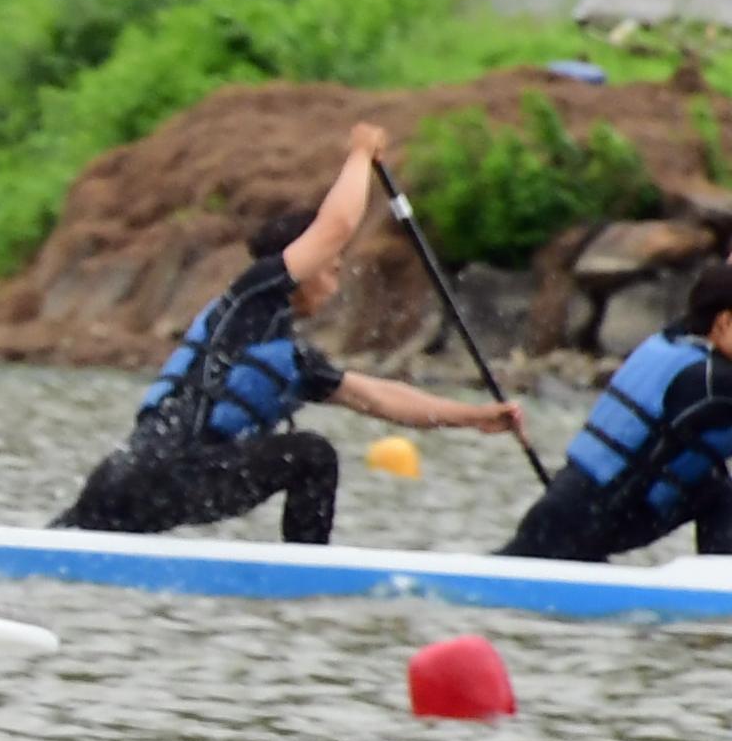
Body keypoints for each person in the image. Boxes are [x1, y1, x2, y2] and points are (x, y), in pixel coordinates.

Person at [57, 122, 524, 544]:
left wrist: (473, 416)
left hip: (152, 482)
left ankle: (301, 570)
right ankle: (307, 574)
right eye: (332, 268)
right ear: (302, 265)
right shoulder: (251, 297)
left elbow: (378, 397)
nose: (336, 280)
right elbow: (337, 226)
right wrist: (360, 154)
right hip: (154, 474)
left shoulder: (291, 358)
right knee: (311, 454)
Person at [499, 262, 732, 561]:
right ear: (724, 322)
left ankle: (720, 578)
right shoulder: (710, 381)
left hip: (606, 516)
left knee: (717, 490)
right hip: (572, 525)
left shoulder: (675, 340)